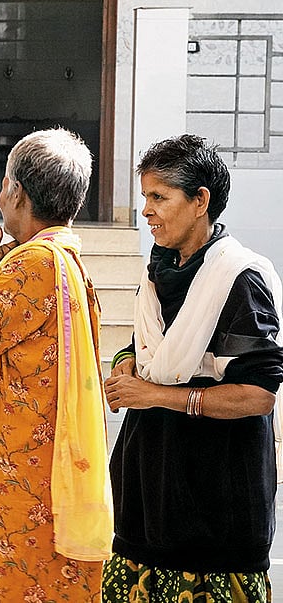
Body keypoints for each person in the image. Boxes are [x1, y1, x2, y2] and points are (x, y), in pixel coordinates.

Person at [0, 129, 112, 602]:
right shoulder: (70, 262)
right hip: (46, 472)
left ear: (16, 192)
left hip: (19, 483)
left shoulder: (31, 266)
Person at [102, 134, 283, 602]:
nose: (147, 211)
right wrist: (125, 368)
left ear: (200, 200)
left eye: (159, 197)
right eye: (145, 197)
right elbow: (143, 349)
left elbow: (258, 394)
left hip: (214, 510)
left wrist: (156, 395)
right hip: (147, 495)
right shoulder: (160, 270)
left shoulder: (239, 280)